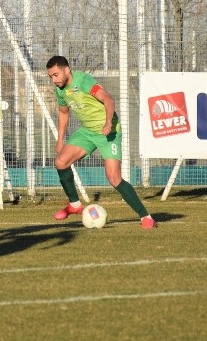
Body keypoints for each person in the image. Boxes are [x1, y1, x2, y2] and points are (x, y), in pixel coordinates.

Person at [46, 55, 156, 229]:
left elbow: (108, 100)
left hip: (108, 132)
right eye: (51, 76)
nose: (54, 79)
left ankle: (146, 217)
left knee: (113, 177)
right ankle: (74, 205)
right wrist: (60, 139)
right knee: (60, 161)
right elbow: (64, 113)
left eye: (56, 74)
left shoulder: (84, 81)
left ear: (67, 70)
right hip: (87, 132)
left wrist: (107, 122)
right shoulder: (60, 90)